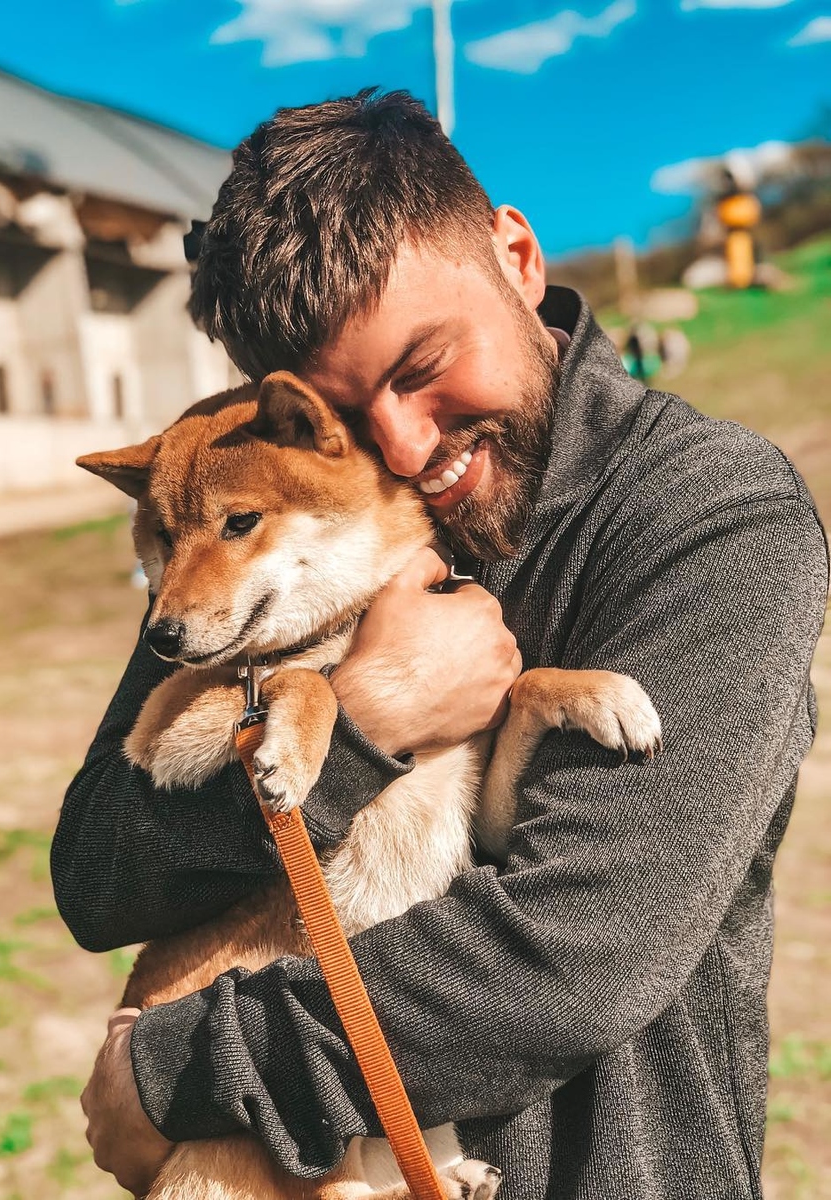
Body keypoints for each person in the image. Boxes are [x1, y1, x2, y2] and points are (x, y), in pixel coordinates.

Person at [52, 91, 828, 1199]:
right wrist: (362, 721)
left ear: (516, 254)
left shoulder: (709, 512)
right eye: (347, 411)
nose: (407, 446)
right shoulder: (266, 518)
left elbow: (574, 956)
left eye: (422, 364)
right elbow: (96, 877)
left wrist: (177, 1072)